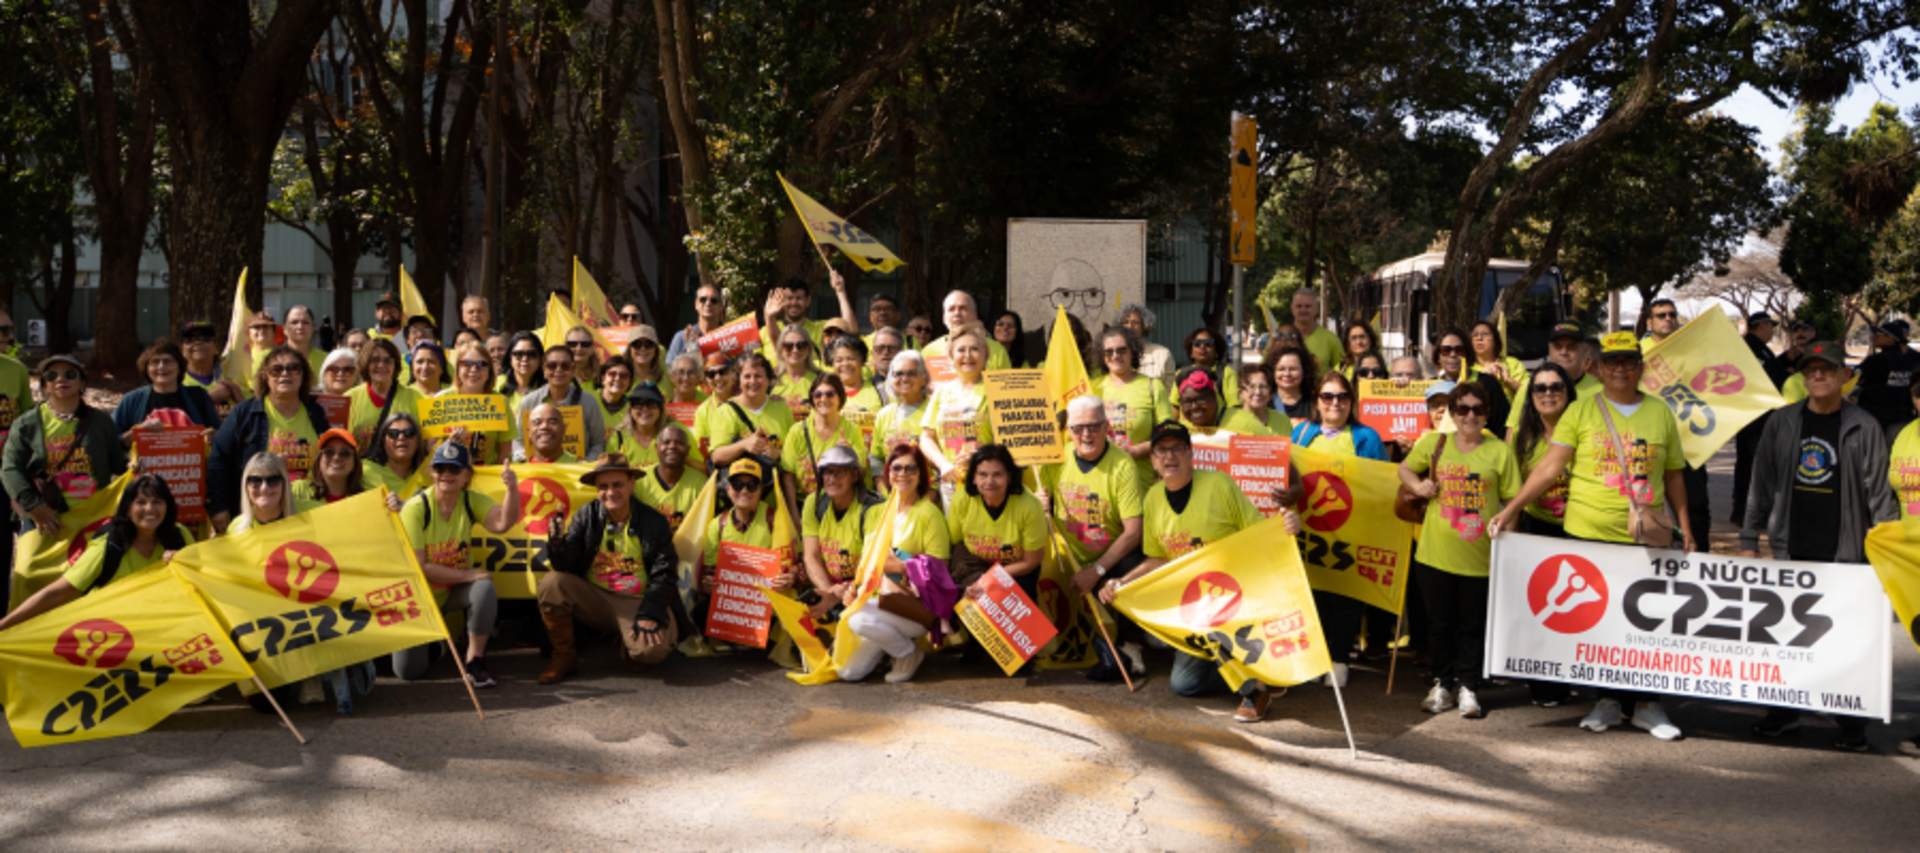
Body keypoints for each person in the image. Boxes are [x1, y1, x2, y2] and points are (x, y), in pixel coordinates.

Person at [1491, 331, 1695, 741]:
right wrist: (1511, 508)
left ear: (1642, 367)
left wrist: (1686, 527)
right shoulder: (1581, 412)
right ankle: (1606, 701)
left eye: (1629, 362)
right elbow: (1549, 468)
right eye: (1613, 363)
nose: (1621, 369)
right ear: (1598, 369)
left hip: (1643, 540)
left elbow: (1673, 474)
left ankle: (1647, 705)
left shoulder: (1660, 413)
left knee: (1645, 623)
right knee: (1600, 625)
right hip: (1587, 535)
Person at [1735, 340, 1895, 751]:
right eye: (1811, 370)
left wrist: (1888, 558)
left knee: (1845, 641)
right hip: (1791, 549)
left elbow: (1879, 496)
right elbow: (1761, 483)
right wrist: (1750, 539)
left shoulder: (1865, 426)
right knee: (1785, 635)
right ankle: (1784, 714)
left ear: (1846, 376)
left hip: (1846, 553)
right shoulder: (1783, 421)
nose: (1818, 376)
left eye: (1827, 369)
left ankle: (1851, 724)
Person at [1099, 422, 1293, 722]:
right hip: (1195, 604)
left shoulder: (1220, 484)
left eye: (1178, 448)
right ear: (1152, 459)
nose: (1170, 456)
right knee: (1184, 684)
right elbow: (1158, 559)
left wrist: (1289, 525)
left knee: (1220, 646)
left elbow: (1259, 533)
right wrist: (1120, 583)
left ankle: (1254, 689)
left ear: (1191, 454)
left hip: (1236, 595)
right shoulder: (1152, 498)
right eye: (1161, 450)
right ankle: (1265, 674)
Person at [1398, 382, 1521, 719]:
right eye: (1462, 409)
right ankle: (1441, 684)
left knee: (1472, 625)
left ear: (1487, 414)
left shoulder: (1500, 451)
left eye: (1477, 409)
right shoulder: (1435, 443)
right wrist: (1418, 486)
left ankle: (1468, 686)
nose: (1470, 415)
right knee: (1438, 624)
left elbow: (1512, 503)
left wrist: (1510, 548)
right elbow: (1405, 468)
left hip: (1480, 557)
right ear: (1452, 414)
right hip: (1435, 554)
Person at [1289, 370, 1386, 686]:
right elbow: (1286, 475)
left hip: (1349, 532)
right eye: (1327, 396)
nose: (1335, 402)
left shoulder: (1367, 437)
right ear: (1316, 401)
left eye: (1342, 396)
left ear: (1351, 401)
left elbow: (1381, 484)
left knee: (1345, 597)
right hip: (1309, 530)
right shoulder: (1302, 434)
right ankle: (1314, 658)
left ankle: (1339, 658)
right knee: (1312, 595)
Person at [395, 442, 519, 688]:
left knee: (484, 588)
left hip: (451, 590)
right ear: (432, 472)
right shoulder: (415, 509)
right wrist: (466, 574)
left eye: (454, 468)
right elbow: (420, 566)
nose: (446, 474)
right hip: (420, 598)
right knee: (409, 671)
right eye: (440, 468)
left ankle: (475, 661)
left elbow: (502, 523)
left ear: (467, 475)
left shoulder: (470, 500)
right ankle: (435, 645)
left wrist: (512, 489)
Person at [0, 473, 194, 631]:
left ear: (168, 507)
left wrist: (185, 566)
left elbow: (203, 582)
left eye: (157, 501)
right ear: (127, 509)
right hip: (111, 635)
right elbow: (57, 592)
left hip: (163, 632)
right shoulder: (108, 546)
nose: (150, 509)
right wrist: (4, 626)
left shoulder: (181, 537)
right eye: (141, 502)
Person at [1042, 395, 1148, 682]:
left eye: (1093, 426)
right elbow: (1046, 512)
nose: (1086, 434)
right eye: (1078, 428)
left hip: (1110, 559)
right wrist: (1041, 504)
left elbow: (1133, 532)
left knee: (1134, 565)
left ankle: (1131, 645)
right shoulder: (1056, 459)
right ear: (1069, 431)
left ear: (1106, 427)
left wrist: (1097, 570)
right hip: (1069, 559)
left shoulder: (1123, 465)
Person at [839, 445, 951, 682]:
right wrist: (854, 589)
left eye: (911, 468)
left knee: (856, 618)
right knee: (847, 673)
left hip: (913, 607)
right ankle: (891, 648)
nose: (903, 474)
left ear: (921, 474)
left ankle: (908, 653)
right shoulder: (875, 513)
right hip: (876, 602)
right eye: (896, 468)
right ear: (888, 473)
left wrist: (900, 566)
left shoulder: (929, 513)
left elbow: (941, 568)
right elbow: (867, 565)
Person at [203, 346, 330, 531]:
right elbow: (219, 459)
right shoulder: (244, 413)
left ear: (303, 376)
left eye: (294, 368)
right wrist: (218, 507)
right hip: (258, 515)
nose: (285, 374)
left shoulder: (317, 413)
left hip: (307, 514)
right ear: (265, 376)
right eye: (276, 369)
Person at [947, 444, 1048, 672]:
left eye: (997, 474)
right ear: (973, 478)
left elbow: (1032, 561)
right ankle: (976, 642)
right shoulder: (962, 499)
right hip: (974, 561)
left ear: (1010, 476)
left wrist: (990, 579)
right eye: (982, 474)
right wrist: (974, 578)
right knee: (963, 586)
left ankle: (1023, 652)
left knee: (1021, 588)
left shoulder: (1029, 505)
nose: (989, 481)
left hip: (1017, 567)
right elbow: (955, 543)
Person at [697, 455, 796, 638]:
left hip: (768, 602)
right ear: (727, 489)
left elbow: (797, 565)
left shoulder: (775, 518)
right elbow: (708, 573)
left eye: (751, 485)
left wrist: (790, 577)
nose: (744, 490)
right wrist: (708, 584)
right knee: (699, 611)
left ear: (760, 490)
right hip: (735, 604)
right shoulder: (717, 525)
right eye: (737, 484)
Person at [800, 444, 886, 602]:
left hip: (863, 594)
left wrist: (846, 591)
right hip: (828, 589)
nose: (831, 479)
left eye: (839, 472)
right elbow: (810, 556)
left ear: (854, 475)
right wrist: (829, 593)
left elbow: (873, 567)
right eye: (827, 472)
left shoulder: (873, 510)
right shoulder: (814, 503)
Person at [919, 326, 994, 499]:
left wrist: (982, 458)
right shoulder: (941, 392)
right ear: (951, 358)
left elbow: (1007, 441)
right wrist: (943, 464)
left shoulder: (997, 390)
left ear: (986, 357)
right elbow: (927, 437)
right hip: (951, 482)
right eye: (961, 350)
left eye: (975, 349)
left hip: (987, 482)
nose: (967, 355)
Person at [1090, 325, 1172, 482]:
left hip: (1141, 480)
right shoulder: (1092, 388)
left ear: (1133, 352)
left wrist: (1136, 451)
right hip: (1101, 480)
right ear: (1102, 356)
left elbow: (1167, 436)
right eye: (1109, 352)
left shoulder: (1153, 387)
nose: (1115, 356)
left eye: (1121, 350)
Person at [1733, 312, 1788, 525]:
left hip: (1752, 415)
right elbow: (1766, 376)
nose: (1772, 331)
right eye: (1770, 327)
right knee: (1757, 466)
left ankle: (1743, 511)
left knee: (1747, 465)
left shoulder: (1757, 347)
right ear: (1762, 325)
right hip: (1755, 416)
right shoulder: (1752, 346)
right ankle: (1752, 514)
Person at [512, 345, 608, 461]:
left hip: (576, 474)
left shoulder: (589, 402)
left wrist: (584, 465)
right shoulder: (529, 402)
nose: (558, 370)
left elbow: (597, 443)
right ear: (544, 370)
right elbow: (518, 440)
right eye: (552, 366)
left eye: (565, 366)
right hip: (536, 471)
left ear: (573, 370)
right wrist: (526, 462)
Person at [113, 340, 220, 443]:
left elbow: (222, 435)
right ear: (146, 368)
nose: (162, 367)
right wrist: (137, 432)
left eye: (168, 361)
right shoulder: (132, 400)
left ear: (179, 367)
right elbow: (110, 442)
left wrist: (215, 437)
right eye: (155, 362)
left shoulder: (198, 396)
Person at [783, 373, 865, 504]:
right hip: (802, 504)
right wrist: (794, 513)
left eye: (830, 394)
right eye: (817, 394)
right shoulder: (797, 431)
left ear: (840, 398)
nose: (823, 398)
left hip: (839, 504)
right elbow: (788, 476)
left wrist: (850, 456)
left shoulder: (852, 430)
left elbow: (861, 472)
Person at [1505, 322, 1601, 433]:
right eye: (1557, 346)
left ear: (1585, 350)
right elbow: (1512, 435)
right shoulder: (1530, 387)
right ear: (1549, 349)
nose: (1564, 352)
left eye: (1571, 346)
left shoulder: (1601, 390)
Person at [709, 352, 796, 467]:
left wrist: (778, 453)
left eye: (758, 376)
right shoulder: (725, 411)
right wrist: (743, 445)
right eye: (747, 376)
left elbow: (796, 449)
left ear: (768, 380)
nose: (753, 381)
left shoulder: (781, 407)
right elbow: (716, 456)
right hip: (742, 484)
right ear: (739, 380)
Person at [438, 341, 511, 465]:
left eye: (481, 364)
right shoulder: (440, 400)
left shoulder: (500, 402)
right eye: (466, 363)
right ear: (457, 369)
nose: (473, 369)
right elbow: (430, 452)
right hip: (449, 476)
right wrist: (448, 445)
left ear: (489, 370)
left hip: (485, 479)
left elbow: (503, 455)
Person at [346, 338, 423, 451]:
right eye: (375, 360)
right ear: (365, 363)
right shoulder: (349, 399)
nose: (381, 365)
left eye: (387, 361)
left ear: (395, 364)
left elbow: (426, 444)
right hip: (361, 468)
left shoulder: (416, 398)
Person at [759, 272, 859, 357]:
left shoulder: (822, 328)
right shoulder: (765, 331)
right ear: (782, 301)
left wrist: (840, 292)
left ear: (808, 301)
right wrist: (769, 317)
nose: (793, 303)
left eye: (799, 298)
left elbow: (850, 328)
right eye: (789, 298)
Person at [869, 350, 931, 483]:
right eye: (898, 374)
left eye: (912, 373)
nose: (904, 378)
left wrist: (932, 493)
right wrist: (881, 487)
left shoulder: (935, 410)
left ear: (924, 377)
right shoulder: (884, 415)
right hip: (890, 495)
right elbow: (876, 457)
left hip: (927, 494)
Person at [921, 291, 1013, 376]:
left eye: (963, 308)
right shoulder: (929, 351)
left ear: (975, 316)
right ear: (944, 318)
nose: (957, 313)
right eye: (951, 309)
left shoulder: (997, 350)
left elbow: (1006, 391)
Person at [634, 423, 707, 528]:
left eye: (679, 443)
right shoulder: (640, 479)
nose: (672, 446)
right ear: (657, 448)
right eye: (666, 442)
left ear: (688, 450)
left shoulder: (700, 482)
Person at [1855, 319, 1918, 433]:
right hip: (1903, 418)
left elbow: (1854, 379)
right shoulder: (1911, 361)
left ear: (1890, 338)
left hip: (1874, 419)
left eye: (1879, 334)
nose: (1874, 336)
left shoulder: (1877, 360)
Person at [179, 320, 247, 420]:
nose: (198, 342)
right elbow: (175, 420)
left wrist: (240, 399)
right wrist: (210, 398)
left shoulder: (235, 377)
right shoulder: (175, 382)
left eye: (205, 338)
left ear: (216, 348)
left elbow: (255, 421)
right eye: (190, 339)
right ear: (182, 350)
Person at [362, 412, 430, 498]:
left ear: (418, 440)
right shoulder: (363, 470)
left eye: (409, 433)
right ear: (383, 441)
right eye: (393, 433)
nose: (401, 437)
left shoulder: (432, 472)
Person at [293, 429, 366, 504]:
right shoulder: (298, 490)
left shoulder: (365, 499)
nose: (336, 457)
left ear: (355, 462)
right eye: (329, 452)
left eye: (345, 453)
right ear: (319, 460)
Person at [690, 354, 740, 460]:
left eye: (723, 372)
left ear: (734, 373)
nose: (717, 378)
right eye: (711, 374)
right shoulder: (702, 411)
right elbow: (700, 451)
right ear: (706, 379)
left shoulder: (748, 399)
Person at [667, 283, 728, 368]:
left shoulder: (730, 335)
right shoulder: (681, 338)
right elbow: (670, 373)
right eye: (703, 299)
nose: (708, 303)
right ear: (696, 304)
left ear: (721, 305)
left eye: (713, 300)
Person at [1177, 328, 1238, 406]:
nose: (1202, 346)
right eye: (1197, 343)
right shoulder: (1181, 373)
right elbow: (1175, 406)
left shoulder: (1227, 373)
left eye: (1208, 343)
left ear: (1217, 351)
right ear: (1191, 351)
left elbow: (1235, 407)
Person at [772, 325, 822, 416]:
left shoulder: (821, 379)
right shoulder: (769, 381)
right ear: (781, 350)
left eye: (801, 345)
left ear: (808, 349)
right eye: (788, 346)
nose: (795, 350)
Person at [1470, 319, 1526, 399]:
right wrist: (1483, 379)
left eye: (1485, 334)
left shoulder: (1512, 363)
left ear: (1495, 341)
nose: (1479, 338)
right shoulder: (1467, 366)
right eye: (1475, 335)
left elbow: (1531, 394)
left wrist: (1508, 380)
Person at [1291, 289, 1343, 375]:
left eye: (1308, 306)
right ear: (1292, 309)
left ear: (1316, 309)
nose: (1303, 310)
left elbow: (1343, 373)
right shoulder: (1279, 338)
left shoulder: (1331, 339)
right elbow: (1266, 371)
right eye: (1299, 306)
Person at [1232, 363, 1291, 437]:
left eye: (1263, 387)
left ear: (1270, 393)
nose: (1258, 392)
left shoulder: (1282, 420)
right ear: (1240, 393)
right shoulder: (1230, 419)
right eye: (1252, 386)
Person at [1266, 346, 1316, 422]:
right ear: (1273, 372)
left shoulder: (1315, 404)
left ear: (1304, 371)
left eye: (1293, 369)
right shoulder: (1263, 403)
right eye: (1281, 369)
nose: (1287, 374)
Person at [499, 331, 547, 405]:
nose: (525, 359)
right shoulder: (497, 383)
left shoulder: (549, 388)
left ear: (541, 358)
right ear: (510, 359)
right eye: (518, 354)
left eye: (531, 354)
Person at [595, 355, 637, 438]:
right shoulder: (588, 399)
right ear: (603, 378)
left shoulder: (635, 407)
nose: (617, 378)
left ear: (630, 382)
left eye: (624, 375)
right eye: (612, 374)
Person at [279, 306, 328, 376]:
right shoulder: (273, 360)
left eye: (305, 323)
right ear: (284, 329)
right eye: (294, 322)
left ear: (312, 328)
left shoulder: (326, 360)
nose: (300, 327)